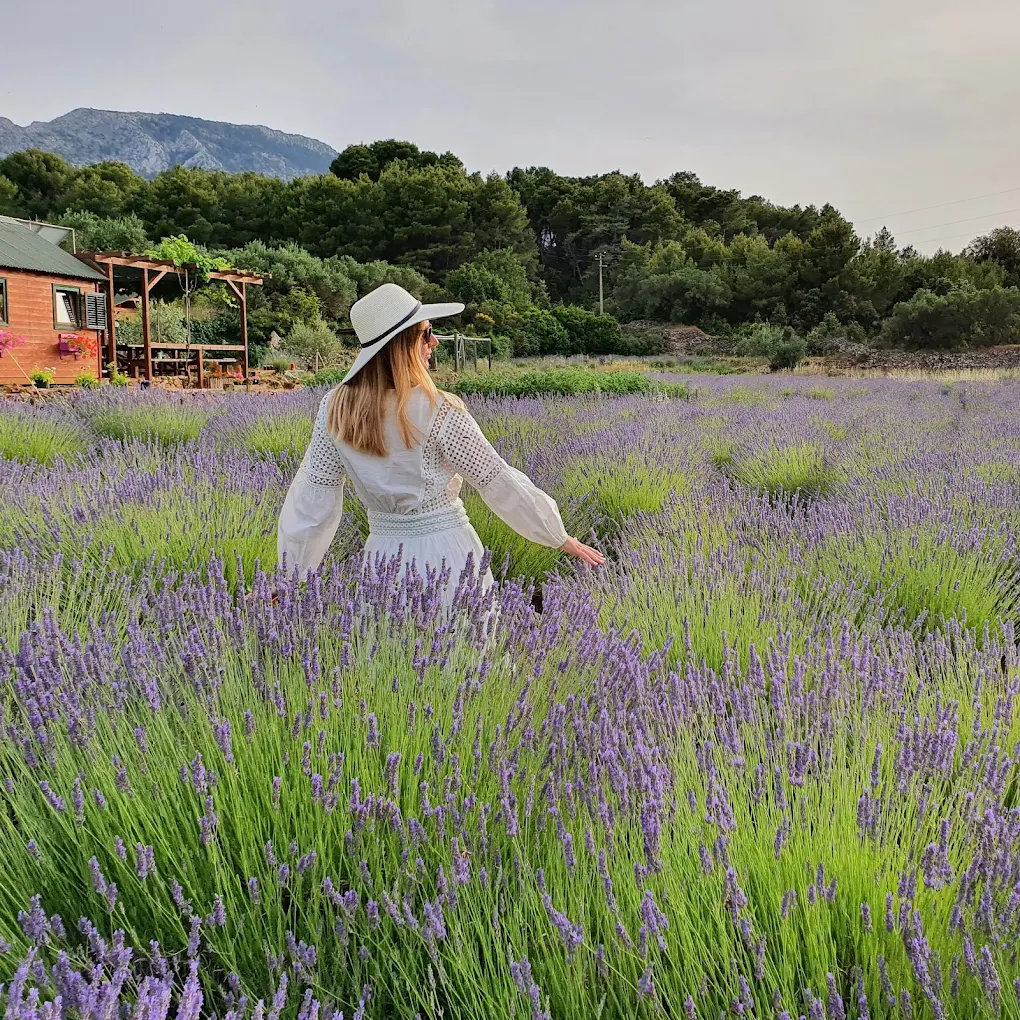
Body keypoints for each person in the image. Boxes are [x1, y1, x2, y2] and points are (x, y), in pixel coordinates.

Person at [277, 283, 603, 602]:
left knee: (392, 654)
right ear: (403, 345)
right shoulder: (440, 410)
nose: (434, 342)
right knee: (466, 651)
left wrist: (286, 578)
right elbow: (496, 479)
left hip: (381, 564)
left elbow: (312, 500)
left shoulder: (336, 409)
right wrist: (558, 536)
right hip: (448, 558)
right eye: (426, 332)